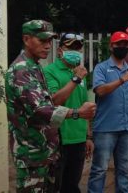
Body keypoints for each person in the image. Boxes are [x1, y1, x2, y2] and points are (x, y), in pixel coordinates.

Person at [5, 20, 96, 192]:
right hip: (32, 155)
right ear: (26, 39)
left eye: (49, 41)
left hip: (45, 152)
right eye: (42, 40)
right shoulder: (21, 70)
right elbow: (42, 109)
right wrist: (77, 113)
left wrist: (87, 134)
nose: (47, 46)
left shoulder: (35, 67)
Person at [88, 31, 128, 193]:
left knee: (125, 170)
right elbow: (100, 91)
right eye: (119, 45)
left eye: (126, 45)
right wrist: (121, 80)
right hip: (106, 128)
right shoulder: (102, 68)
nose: (123, 48)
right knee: (100, 169)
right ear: (111, 46)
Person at [43, 33, 93, 193]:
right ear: (59, 51)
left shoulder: (81, 73)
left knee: (72, 186)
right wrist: (76, 79)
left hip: (78, 138)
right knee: (54, 186)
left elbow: (85, 106)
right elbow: (54, 101)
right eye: (70, 47)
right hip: (59, 140)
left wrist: (88, 137)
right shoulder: (50, 71)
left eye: (77, 48)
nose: (74, 51)